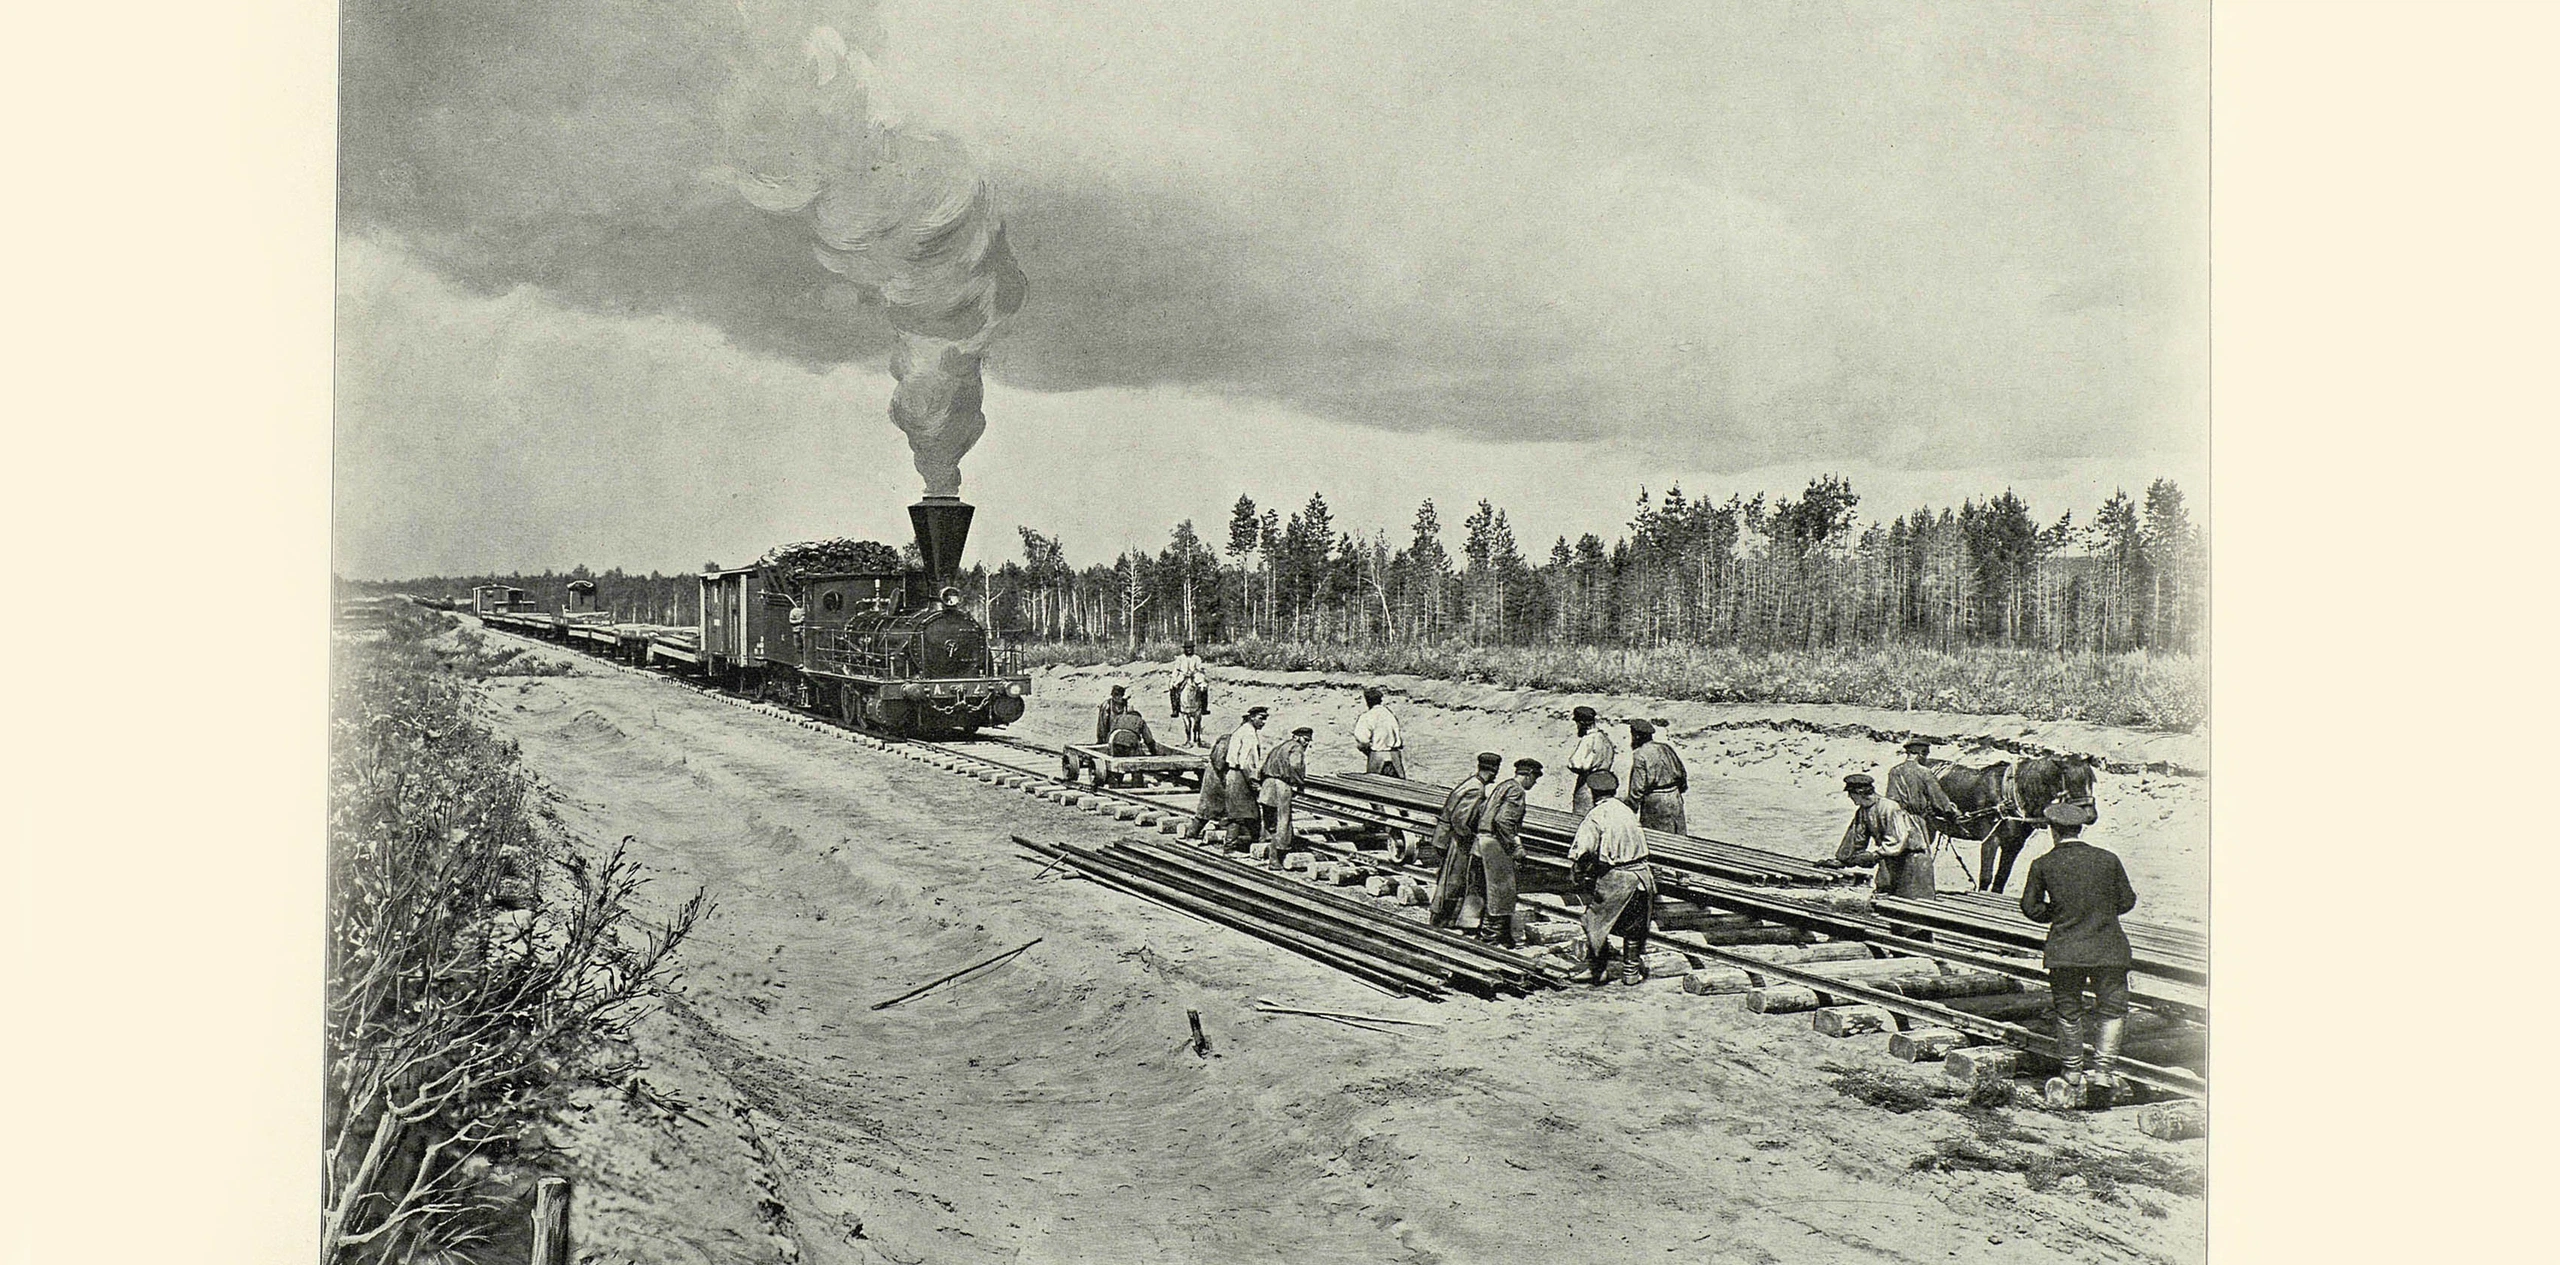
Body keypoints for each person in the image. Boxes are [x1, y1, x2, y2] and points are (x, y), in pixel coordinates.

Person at [2019, 800, 2139, 1102]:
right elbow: (2126, 901)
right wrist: (2099, 911)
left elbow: (2029, 907)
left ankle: (2072, 1072)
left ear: (2053, 830)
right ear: (2080, 828)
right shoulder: (2108, 859)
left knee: (2068, 1011)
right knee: (2112, 1011)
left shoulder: (2043, 864)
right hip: (2109, 949)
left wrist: (2057, 913)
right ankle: (2103, 1072)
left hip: (2066, 951)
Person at [1566, 769, 1655, 985]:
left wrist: (1577, 871)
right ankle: (1631, 972)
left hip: (1618, 879)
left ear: (1593, 792)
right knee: (1634, 927)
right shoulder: (1626, 810)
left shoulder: (1597, 815)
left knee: (1593, 922)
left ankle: (1598, 970)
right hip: (1642, 877)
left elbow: (1584, 850)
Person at [1469, 758, 1542, 948]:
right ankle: (1490, 941)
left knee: (1487, 892)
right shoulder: (1517, 791)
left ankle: (1496, 937)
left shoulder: (1503, 786)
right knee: (1501, 894)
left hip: (1481, 843)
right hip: (1495, 845)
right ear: (1527, 775)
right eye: (1534, 778)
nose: (1534, 782)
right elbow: (1503, 821)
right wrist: (1516, 845)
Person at [1833, 773, 1937, 900]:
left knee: (1913, 901)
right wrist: (1842, 860)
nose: (1850, 797)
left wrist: (1874, 855)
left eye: (1851, 793)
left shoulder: (1889, 807)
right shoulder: (1863, 811)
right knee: (1884, 896)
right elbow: (1855, 838)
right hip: (1890, 860)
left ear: (1860, 793)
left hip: (1912, 860)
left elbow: (1898, 839)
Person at [1424, 754, 1499, 920]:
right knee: (1453, 880)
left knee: (1448, 879)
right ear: (1493, 771)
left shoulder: (1471, 782)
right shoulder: (1476, 790)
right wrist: (1472, 838)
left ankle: (1441, 918)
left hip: (1447, 836)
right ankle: (1441, 920)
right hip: (1456, 840)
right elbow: (1459, 821)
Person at [1887, 738, 1961, 854]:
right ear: (1921, 754)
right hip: (1917, 823)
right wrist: (1952, 812)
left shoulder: (1894, 771)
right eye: (1926, 754)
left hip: (1896, 822)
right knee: (1919, 858)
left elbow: (1890, 798)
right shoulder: (1924, 772)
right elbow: (1939, 799)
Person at [1258, 725, 1315, 861]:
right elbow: (1296, 766)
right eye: (1305, 739)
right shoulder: (1296, 748)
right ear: (1296, 737)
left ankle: (1263, 847)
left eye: (1308, 740)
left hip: (1267, 784)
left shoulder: (1280, 747)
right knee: (1283, 820)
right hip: (1281, 785)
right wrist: (1300, 784)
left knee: (1269, 819)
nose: (1306, 743)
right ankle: (1277, 856)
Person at [1622, 718, 1688, 833]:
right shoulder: (1666, 748)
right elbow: (1682, 773)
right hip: (1675, 797)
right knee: (1678, 835)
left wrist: (1630, 807)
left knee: (1657, 838)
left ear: (1637, 736)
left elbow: (1638, 787)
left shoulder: (1640, 754)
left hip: (1656, 802)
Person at [1223, 706, 1271, 844]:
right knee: (1242, 814)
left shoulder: (1242, 730)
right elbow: (1246, 763)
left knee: (1246, 813)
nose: (1263, 722)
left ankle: (1253, 843)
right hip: (1241, 776)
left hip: (1234, 774)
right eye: (1261, 718)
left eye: (1265, 719)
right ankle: (1231, 846)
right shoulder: (1249, 734)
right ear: (1252, 717)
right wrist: (1254, 783)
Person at [1065, 685, 1130, 781]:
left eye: (1119, 696)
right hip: (1112, 737)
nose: (1118, 698)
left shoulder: (1124, 705)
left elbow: (1129, 720)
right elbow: (1102, 724)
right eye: (1117, 696)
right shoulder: (1108, 705)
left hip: (1119, 737)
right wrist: (1102, 739)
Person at [1180, 727, 1232, 843]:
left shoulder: (1233, 740)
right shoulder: (1227, 741)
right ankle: (1192, 834)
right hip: (1216, 779)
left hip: (1221, 778)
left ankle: (1221, 833)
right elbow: (1219, 762)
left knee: (1223, 810)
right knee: (1206, 809)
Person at [1564, 706, 1617, 813]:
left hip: (1588, 783)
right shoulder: (1605, 739)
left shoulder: (1588, 739)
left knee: (1581, 817)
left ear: (1582, 723)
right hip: (1604, 785)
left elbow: (1576, 764)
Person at [1350, 687, 1407, 777]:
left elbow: (1362, 739)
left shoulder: (1367, 717)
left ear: (1367, 701)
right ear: (1380, 700)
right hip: (1394, 755)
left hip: (1378, 756)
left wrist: (1366, 749)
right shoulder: (1389, 715)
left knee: (1373, 785)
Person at [1171, 641, 1211, 746]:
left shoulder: (1197, 658)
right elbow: (1176, 670)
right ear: (1184, 649)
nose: (1189, 649)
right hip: (1182, 676)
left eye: (1190, 648)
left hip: (1194, 676)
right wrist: (1174, 680)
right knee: (1174, 689)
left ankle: (1204, 708)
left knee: (1203, 688)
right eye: (1187, 648)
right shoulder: (1180, 658)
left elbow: (1200, 668)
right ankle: (1175, 708)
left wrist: (1195, 672)